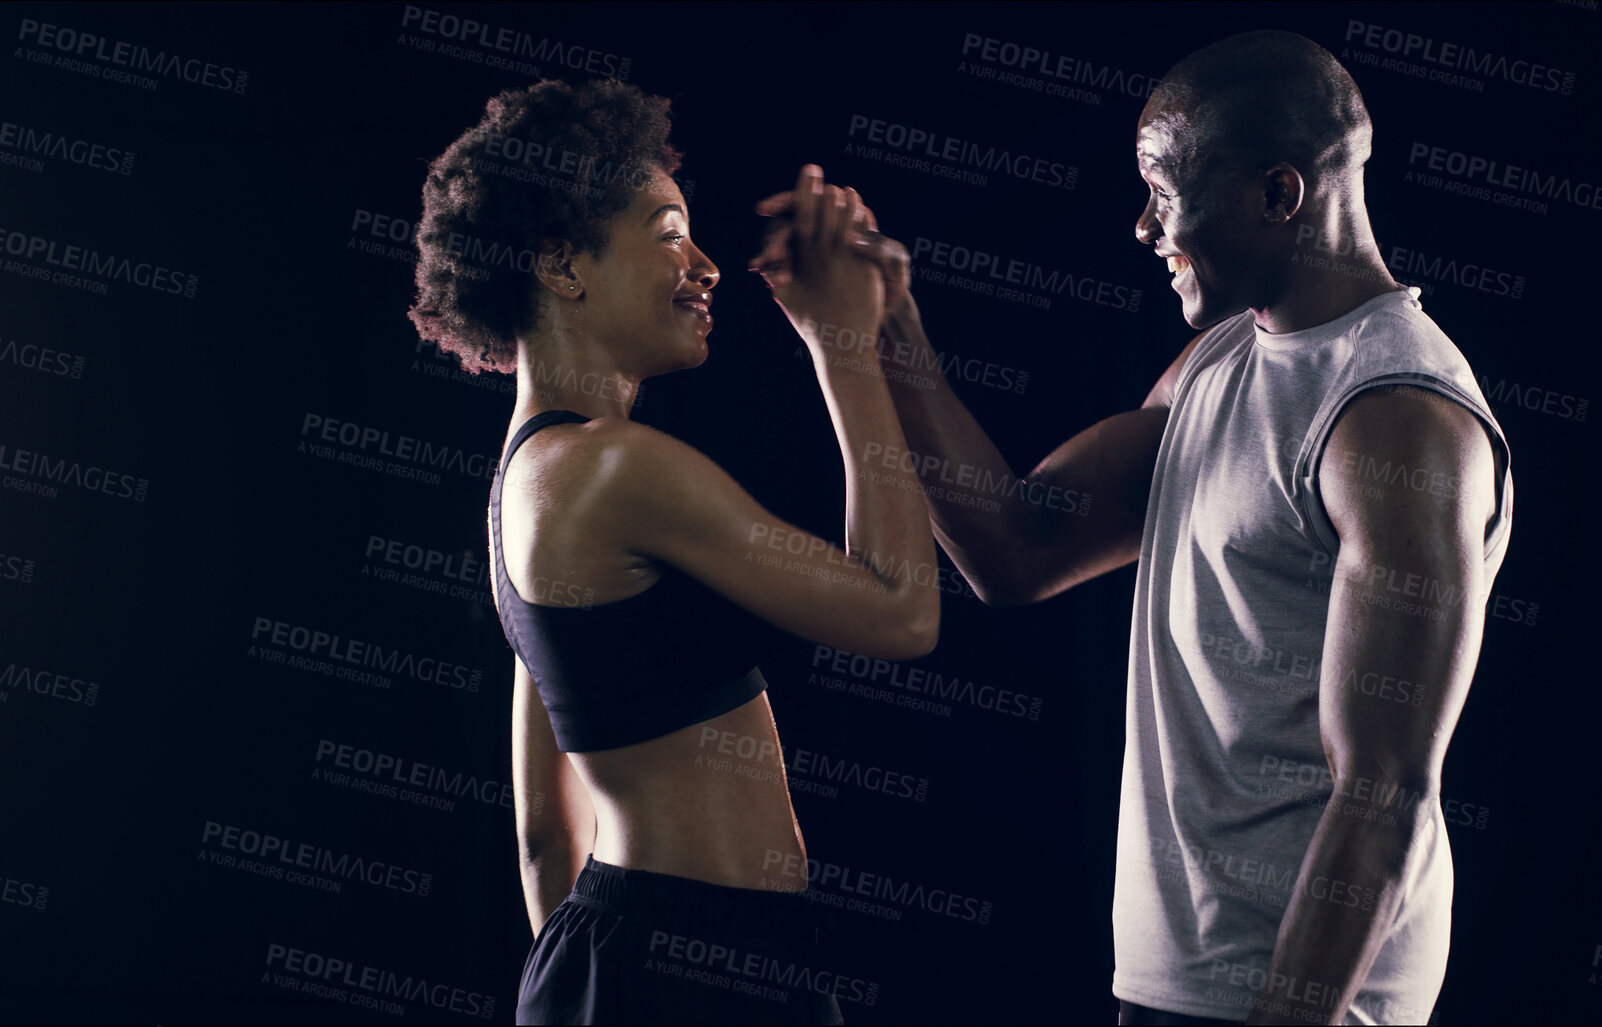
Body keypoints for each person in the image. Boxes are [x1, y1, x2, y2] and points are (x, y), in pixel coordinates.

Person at [831, 30, 1513, 1026]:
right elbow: (1018, 551)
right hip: (1179, 979)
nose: (1144, 226)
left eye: (1165, 191)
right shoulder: (1220, 364)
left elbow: (1386, 789)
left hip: (1305, 996)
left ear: (1280, 194)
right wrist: (887, 330)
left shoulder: (1399, 417)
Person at [407, 79, 938, 1025]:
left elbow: (542, 832)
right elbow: (901, 612)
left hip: (629, 956)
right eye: (665, 232)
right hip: (692, 965)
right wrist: (842, 345)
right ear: (563, 266)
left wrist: (590, 984)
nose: (704, 264)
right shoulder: (612, 470)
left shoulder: (524, 480)